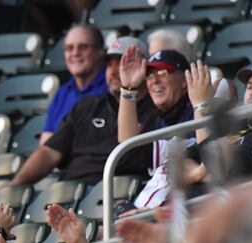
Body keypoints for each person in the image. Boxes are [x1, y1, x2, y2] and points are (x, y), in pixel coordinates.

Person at [12, 36, 157, 186]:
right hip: (69, 192)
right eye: (109, 65)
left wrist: (129, 90)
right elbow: (49, 153)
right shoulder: (86, 106)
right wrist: (14, 186)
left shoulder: (157, 110)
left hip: (116, 194)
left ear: (143, 68)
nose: (114, 72)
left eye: (123, 64)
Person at [118, 48, 210, 210]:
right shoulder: (154, 118)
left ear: (184, 80)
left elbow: (212, 165)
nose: (154, 81)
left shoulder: (199, 111)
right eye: (150, 76)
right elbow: (128, 149)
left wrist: (201, 106)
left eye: (162, 72)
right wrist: (128, 90)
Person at [40, 25, 108, 146]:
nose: (75, 53)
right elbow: (46, 142)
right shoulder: (62, 93)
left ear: (99, 52)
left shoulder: (111, 88)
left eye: (83, 47)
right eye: (69, 48)